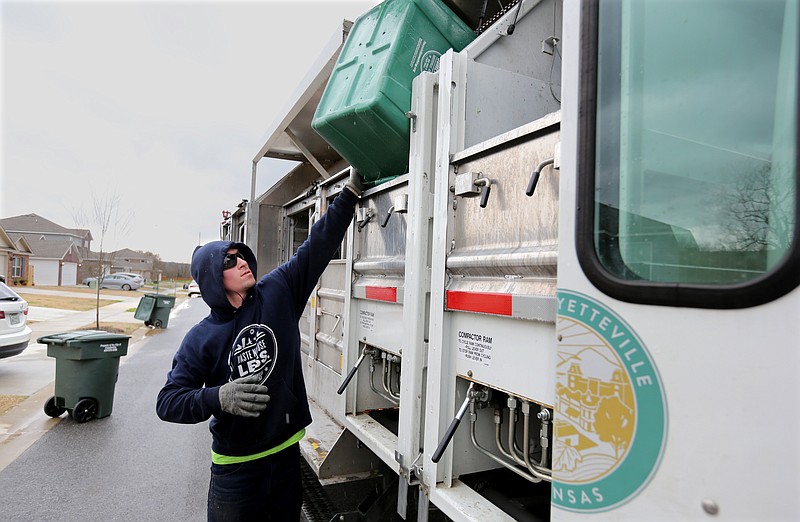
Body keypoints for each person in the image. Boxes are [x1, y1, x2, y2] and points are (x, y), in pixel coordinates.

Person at [156, 171, 362, 521]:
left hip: (285, 457)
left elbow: (318, 245)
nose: (241, 262)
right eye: (229, 260)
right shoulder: (201, 338)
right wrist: (217, 397)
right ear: (211, 278)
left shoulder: (278, 292)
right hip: (236, 472)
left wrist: (351, 192)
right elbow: (168, 401)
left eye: (242, 256)